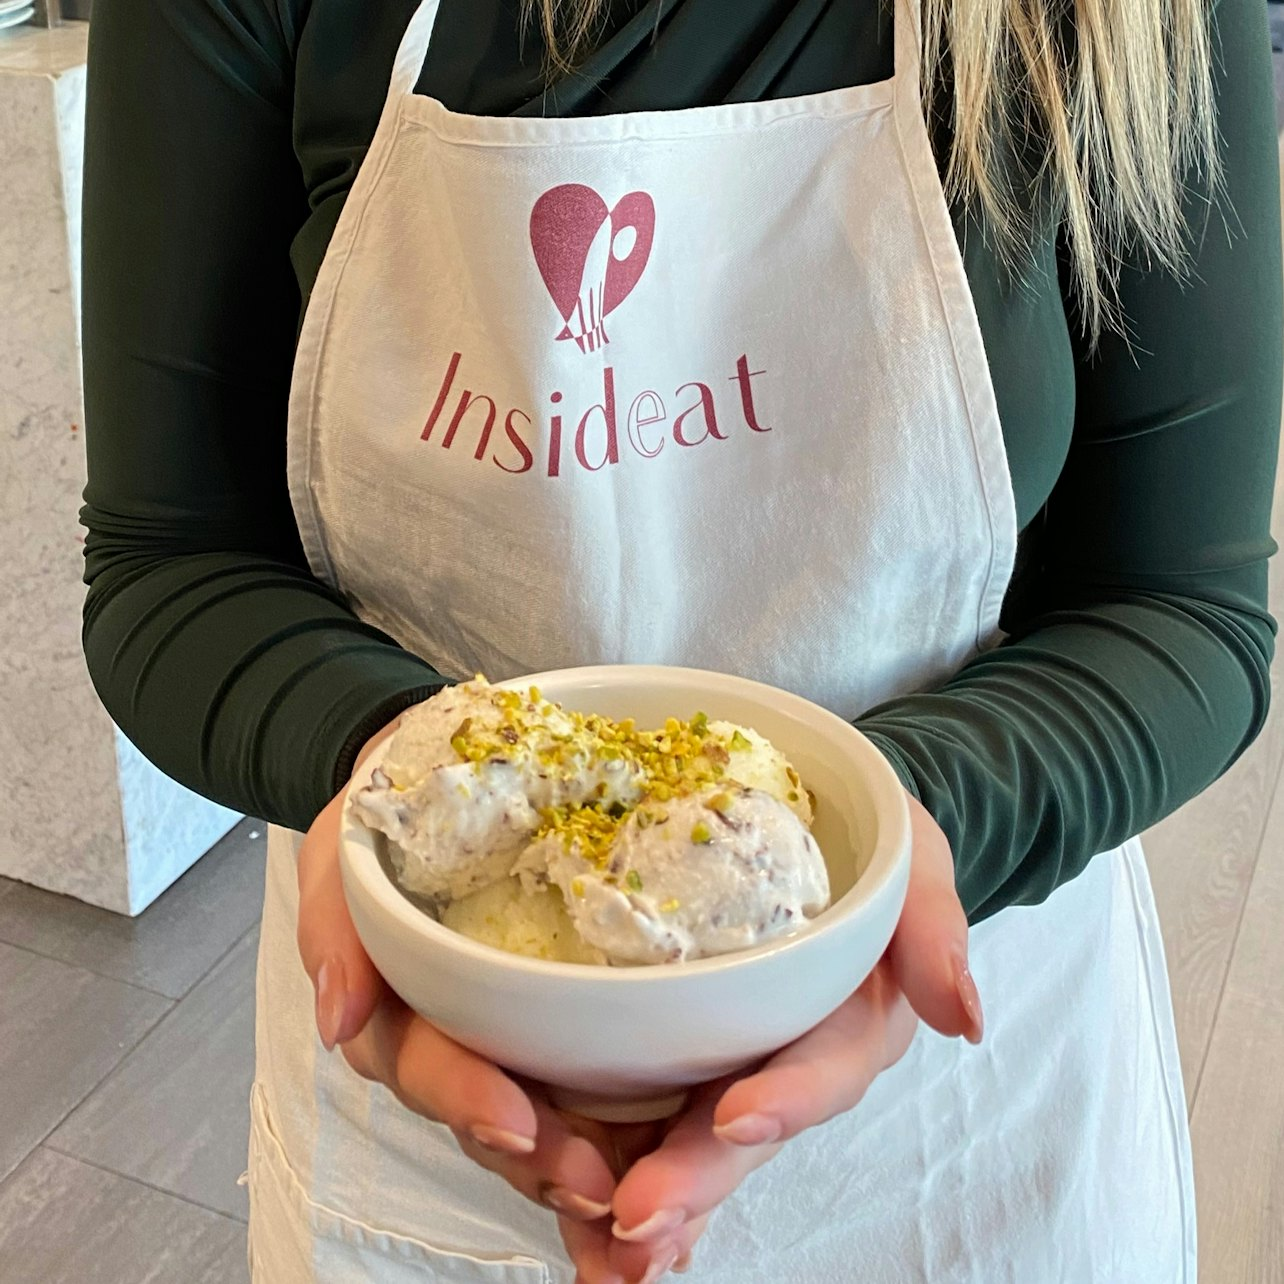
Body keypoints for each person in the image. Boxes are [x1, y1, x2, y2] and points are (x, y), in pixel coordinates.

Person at [79, 0, 1280, 1280]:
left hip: (966, 1092)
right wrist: (418, 777)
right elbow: (171, 564)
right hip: (431, 1076)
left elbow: (1178, 603)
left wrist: (895, 838)